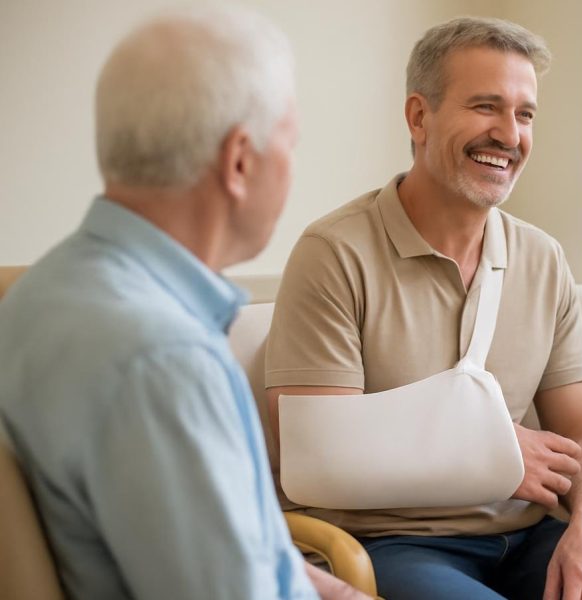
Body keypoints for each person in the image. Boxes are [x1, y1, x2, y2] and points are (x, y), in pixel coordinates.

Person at [264, 16, 582, 600]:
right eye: (486, 106)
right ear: (418, 117)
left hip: (531, 537)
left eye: (524, 114)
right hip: (390, 545)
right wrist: (494, 456)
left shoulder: (541, 258)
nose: (509, 134)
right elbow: (315, 456)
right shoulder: (333, 253)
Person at [0, 6, 367, 600]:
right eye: (290, 144)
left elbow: (225, 551)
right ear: (241, 162)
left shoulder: (40, 294)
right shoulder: (164, 361)